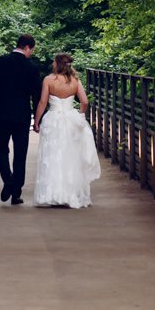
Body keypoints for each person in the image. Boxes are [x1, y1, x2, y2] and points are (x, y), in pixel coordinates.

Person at [33, 53, 101, 208]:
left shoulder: (49, 80)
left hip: (53, 120)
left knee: (52, 156)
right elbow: (84, 101)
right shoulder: (75, 81)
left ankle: (52, 195)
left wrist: (36, 121)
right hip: (71, 119)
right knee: (71, 157)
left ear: (57, 64)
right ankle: (71, 194)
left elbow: (43, 102)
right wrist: (80, 116)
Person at [0, 34, 42, 205]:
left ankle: (7, 180)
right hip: (22, 116)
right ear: (28, 47)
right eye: (32, 50)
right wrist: (37, 120)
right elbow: (37, 96)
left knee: (0, 149)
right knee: (20, 153)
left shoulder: (0, 61)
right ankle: (16, 192)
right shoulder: (32, 67)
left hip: (1, 114)